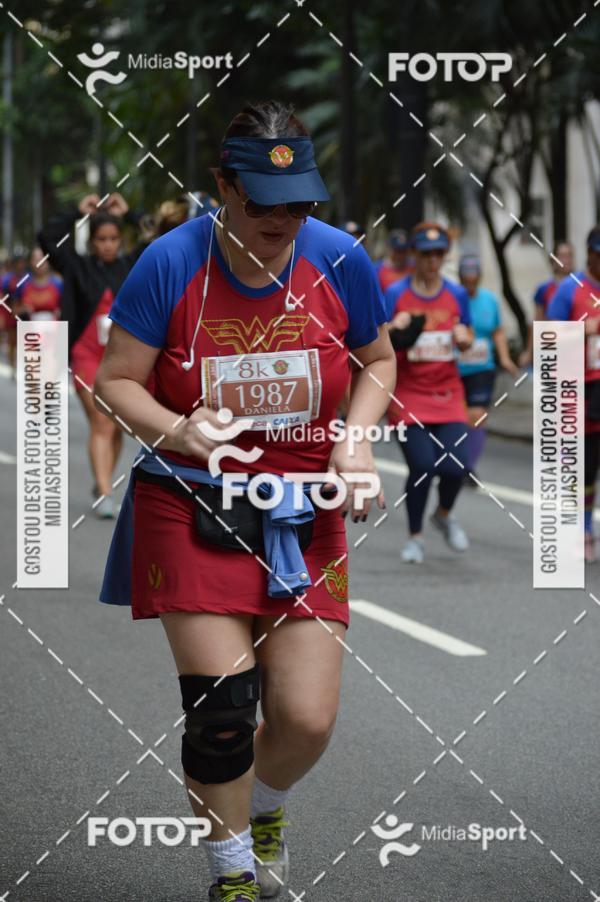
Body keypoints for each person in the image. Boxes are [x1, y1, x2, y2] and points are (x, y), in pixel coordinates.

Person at [95, 100, 395, 901]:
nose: (283, 219)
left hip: (304, 506)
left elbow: (377, 362)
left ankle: (264, 809)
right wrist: (180, 430)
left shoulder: (337, 260)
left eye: (300, 203)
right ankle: (233, 880)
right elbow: (115, 379)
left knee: (304, 718)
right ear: (223, 185)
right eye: (263, 199)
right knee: (224, 711)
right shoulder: (168, 262)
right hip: (192, 501)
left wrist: (355, 440)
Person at [38, 192, 146, 518]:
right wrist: (76, 211)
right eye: (101, 239)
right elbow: (46, 237)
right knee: (101, 421)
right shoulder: (77, 267)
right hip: (84, 355)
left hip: (121, 357)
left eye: (114, 238)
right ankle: (104, 491)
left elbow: (158, 235)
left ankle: (104, 481)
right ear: (93, 240)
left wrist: (130, 214)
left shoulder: (131, 265)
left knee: (115, 428)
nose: (108, 245)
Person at [384, 222, 474, 564]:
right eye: (426, 254)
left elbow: (466, 335)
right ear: (415, 256)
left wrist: (465, 339)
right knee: (422, 465)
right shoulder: (395, 294)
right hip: (407, 394)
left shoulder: (456, 294)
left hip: (447, 393)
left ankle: (444, 514)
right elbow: (377, 341)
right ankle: (415, 537)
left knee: (456, 467)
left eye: (439, 254)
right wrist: (395, 328)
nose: (433, 261)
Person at [547, 226, 600, 563]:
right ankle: (581, 527)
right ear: (590, 253)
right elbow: (548, 338)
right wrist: (583, 330)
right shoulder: (571, 290)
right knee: (585, 468)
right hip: (580, 389)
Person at [457, 254, 519, 483]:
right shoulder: (454, 297)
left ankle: (468, 468)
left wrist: (504, 358)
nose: (470, 281)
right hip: (455, 369)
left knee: (478, 415)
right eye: (466, 277)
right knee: (459, 418)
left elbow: (497, 331)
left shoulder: (489, 300)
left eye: (474, 277)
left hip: (482, 368)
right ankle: (456, 460)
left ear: (479, 277)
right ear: (461, 277)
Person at [519, 241, 574, 367]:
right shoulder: (544, 289)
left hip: (575, 350)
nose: (566, 260)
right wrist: (529, 351)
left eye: (569, 255)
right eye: (562, 256)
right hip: (550, 349)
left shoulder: (581, 286)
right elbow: (537, 321)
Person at [0, 255, 28, 373]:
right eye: (19, 263)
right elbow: (3, 296)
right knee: (12, 340)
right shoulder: (7, 280)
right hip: (10, 313)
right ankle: (12, 365)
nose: (21, 266)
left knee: (24, 341)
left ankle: (22, 365)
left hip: (24, 314)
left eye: (23, 263)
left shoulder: (28, 278)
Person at [20, 248, 63, 322]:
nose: (40, 263)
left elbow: (68, 307)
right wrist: (23, 310)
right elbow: (13, 310)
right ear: (30, 262)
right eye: (36, 259)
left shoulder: (58, 284)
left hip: (55, 329)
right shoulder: (23, 284)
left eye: (42, 259)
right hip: (29, 330)